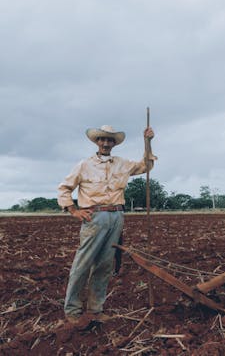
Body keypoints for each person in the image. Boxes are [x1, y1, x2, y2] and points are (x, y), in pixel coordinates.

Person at [57, 124, 155, 326]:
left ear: (114, 144)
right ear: (96, 142)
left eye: (110, 140)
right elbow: (64, 188)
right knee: (82, 264)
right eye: (102, 139)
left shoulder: (122, 164)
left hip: (117, 216)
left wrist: (148, 142)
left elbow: (146, 165)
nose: (105, 143)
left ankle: (95, 310)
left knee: (104, 266)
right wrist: (73, 210)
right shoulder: (84, 165)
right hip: (94, 217)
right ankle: (73, 311)